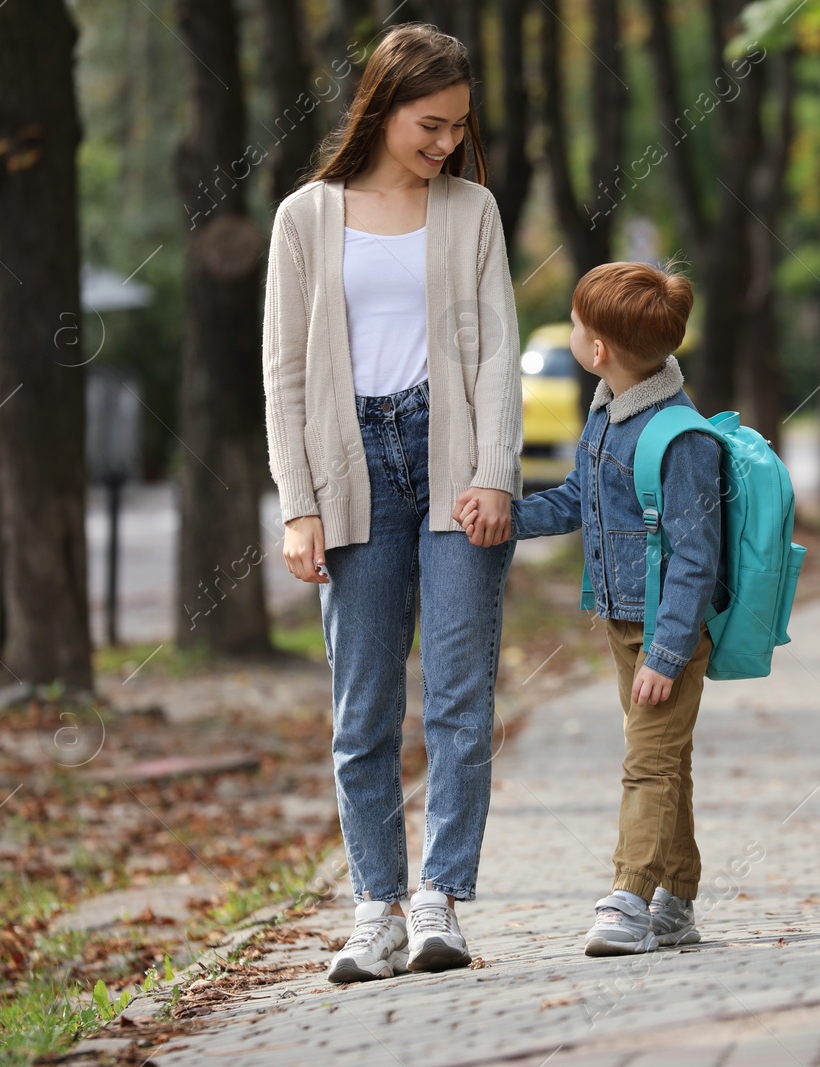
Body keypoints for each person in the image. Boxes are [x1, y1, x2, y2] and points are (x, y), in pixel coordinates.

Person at [262, 23, 522, 981]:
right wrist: (300, 503)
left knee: (459, 695)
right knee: (362, 708)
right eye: (430, 123)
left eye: (457, 127)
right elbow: (285, 372)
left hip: (452, 458)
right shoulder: (304, 217)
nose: (445, 143)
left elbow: (497, 349)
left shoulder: (474, 212)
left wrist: (495, 470)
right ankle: (373, 904)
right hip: (349, 463)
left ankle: (440, 900)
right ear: (382, 105)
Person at [456, 261, 725, 956]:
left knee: (648, 762)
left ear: (598, 348)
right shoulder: (608, 409)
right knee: (665, 759)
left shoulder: (680, 437)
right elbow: (579, 498)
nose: (573, 332)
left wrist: (667, 654)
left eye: (576, 324)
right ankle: (679, 898)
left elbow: (696, 556)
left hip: (669, 630)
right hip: (621, 619)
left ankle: (630, 898)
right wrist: (510, 517)